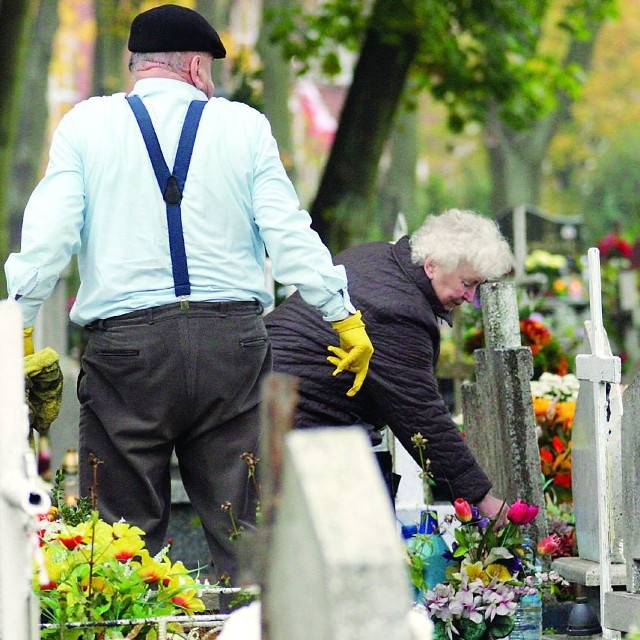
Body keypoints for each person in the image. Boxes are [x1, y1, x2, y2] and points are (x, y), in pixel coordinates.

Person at [4, 4, 373, 583]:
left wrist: (18, 328)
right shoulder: (245, 127)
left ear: (137, 65)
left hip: (127, 353)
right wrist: (342, 315)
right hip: (232, 346)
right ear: (198, 66)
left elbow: (47, 238)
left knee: (120, 540)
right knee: (242, 530)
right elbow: (288, 235)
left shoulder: (86, 125)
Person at [265, 208, 514, 521]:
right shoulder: (399, 310)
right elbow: (420, 413)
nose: (469, 296)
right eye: (467, 283)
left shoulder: (375, 256)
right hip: (297, 429)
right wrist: (481, 498)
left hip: (273, 406)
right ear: (432, 265)